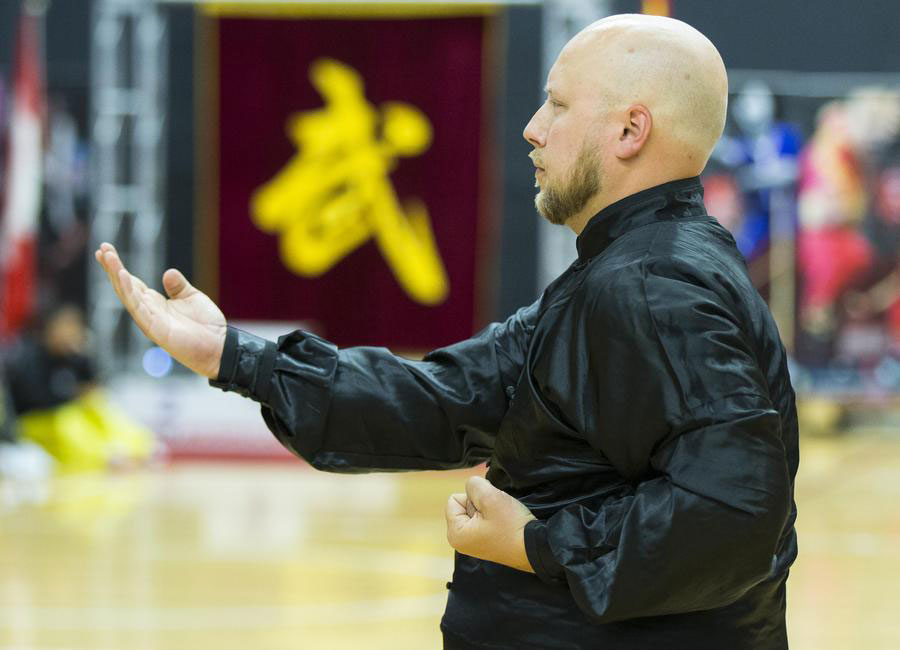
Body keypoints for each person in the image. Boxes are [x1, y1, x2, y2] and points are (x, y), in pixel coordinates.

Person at [95, 14, 798, 650]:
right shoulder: (628, 270)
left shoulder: (648, 288)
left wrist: (537, 544)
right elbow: (448, 395)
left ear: (628, 131)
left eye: (557, 104)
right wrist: (237, 356)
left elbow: (734, 513)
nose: (533, 126)